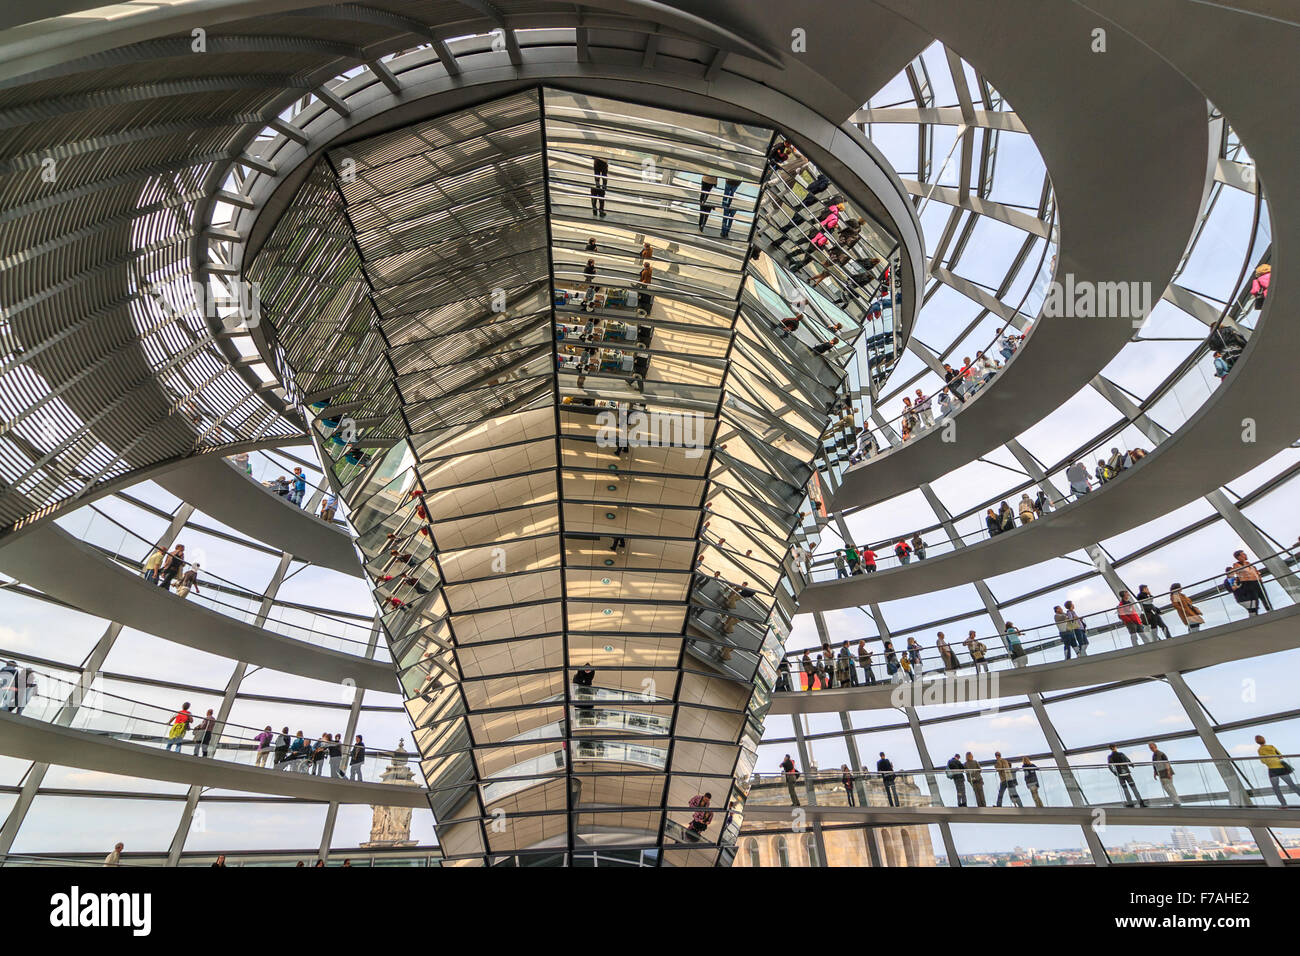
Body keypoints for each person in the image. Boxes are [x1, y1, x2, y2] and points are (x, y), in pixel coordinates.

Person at [1256, 734, 1300, 805]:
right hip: (1281, 767)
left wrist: (1269, 761)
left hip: (1272, 770)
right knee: (1292, 785)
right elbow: (1280, 756)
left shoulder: (1260, 750)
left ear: (1257, 742)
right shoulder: (1271, 746)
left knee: (1276, 788)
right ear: (1264, 740)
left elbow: (1263, 761)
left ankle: (1284, 804)